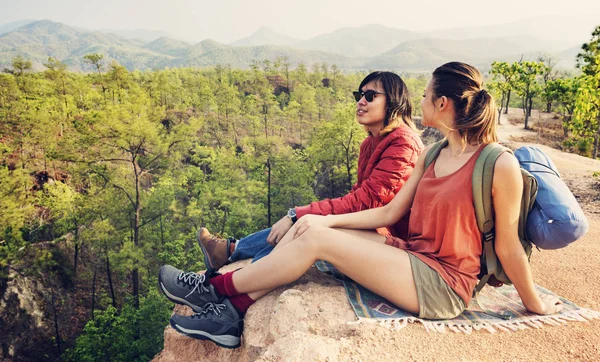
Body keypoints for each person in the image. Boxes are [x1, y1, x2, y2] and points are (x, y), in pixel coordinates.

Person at [158, 62, 564, 349]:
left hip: (444, 284)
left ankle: (211, 289)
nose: (418, 102)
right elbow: (388, 214)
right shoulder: (435, 154)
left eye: (425, 96)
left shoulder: (498, 163)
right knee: (312, 231)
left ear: (442, 104)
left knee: (319, 240)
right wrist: (313, 219)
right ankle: (231, 316)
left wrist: (535, 304)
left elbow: (509, 247)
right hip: (414, 257)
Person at [197, 71, 423, 270]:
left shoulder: (403, 143)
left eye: (370, 96)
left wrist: (298, 214)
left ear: (394, 101)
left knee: (308, 225)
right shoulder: (372, 143)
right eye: (359, 95)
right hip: (377, 226)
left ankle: (244, 275)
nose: (361, 102)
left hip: (398, 241)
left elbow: (366, 202)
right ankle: (232, 254)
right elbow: (359, 197)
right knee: (310, 220)